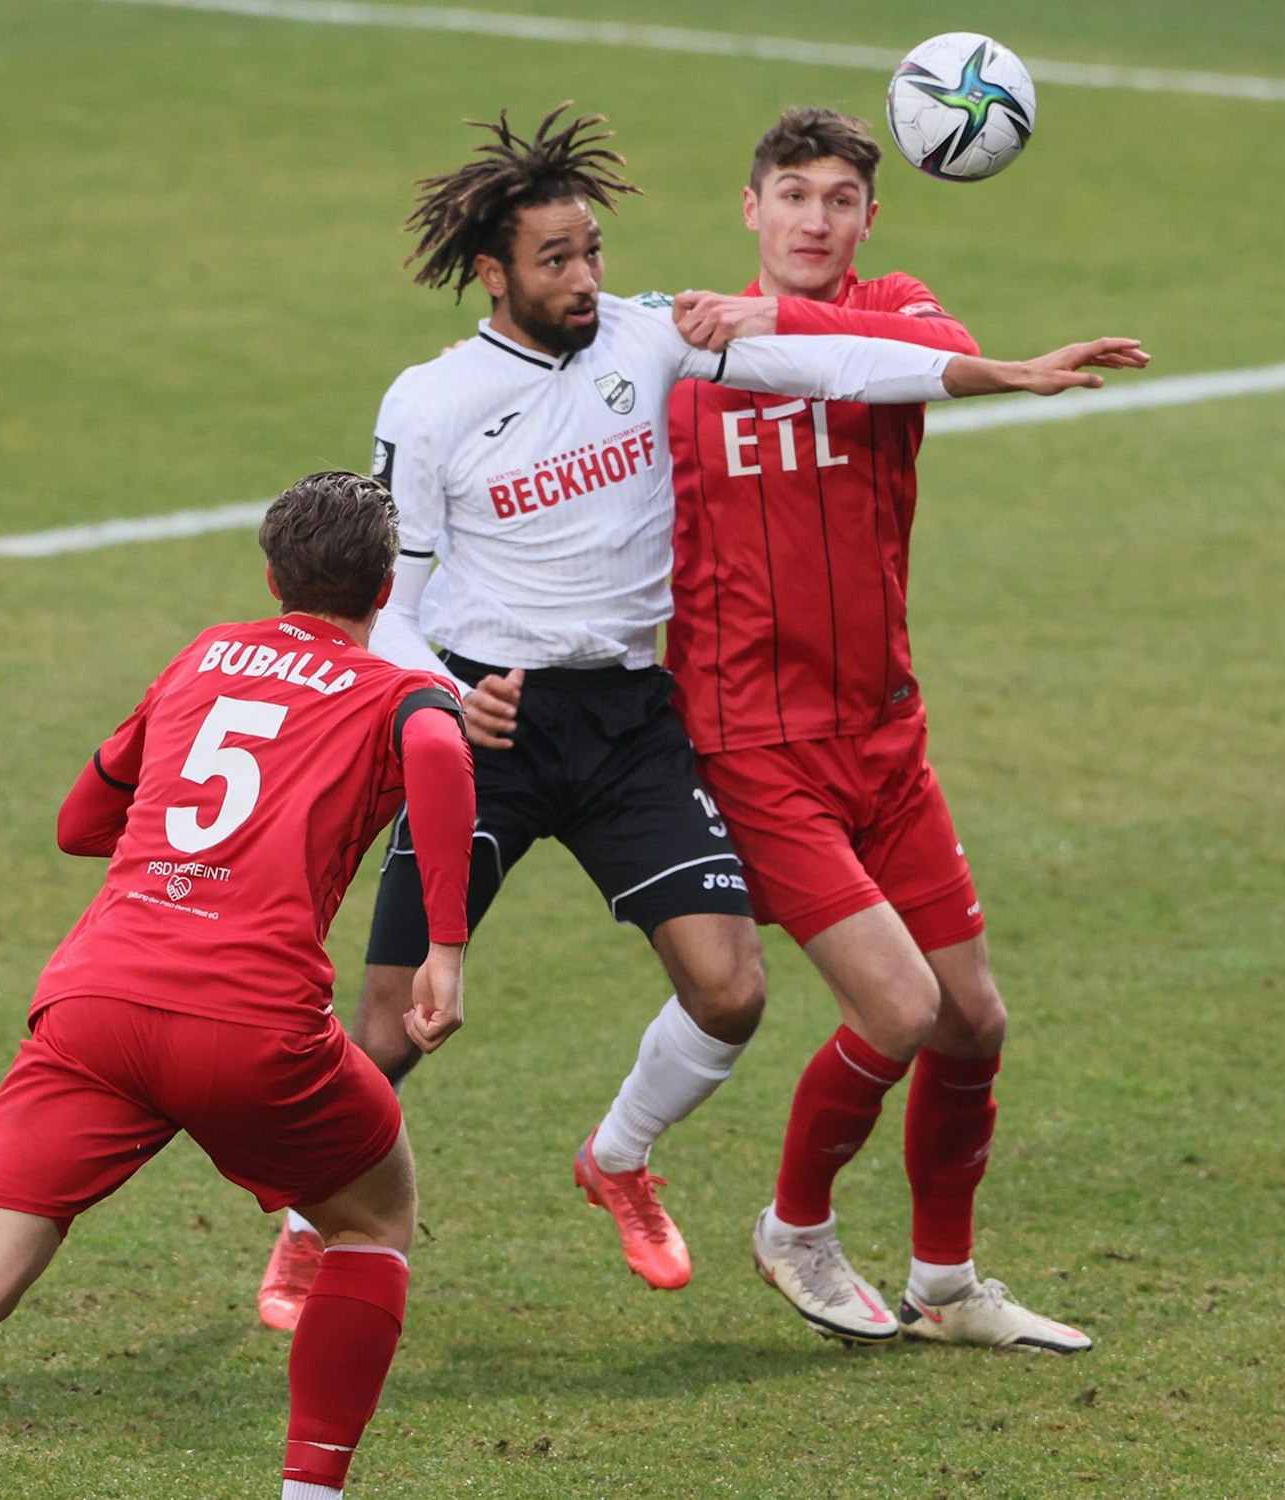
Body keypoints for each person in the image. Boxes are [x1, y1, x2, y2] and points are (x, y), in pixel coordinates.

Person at [255, 103, 1144, 1323]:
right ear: (492, 273)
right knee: (400, 1020)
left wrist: (1000, 371)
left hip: (629, 720)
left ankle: (617, 1158)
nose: (584, 278)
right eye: (556, 260)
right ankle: (307, 1224)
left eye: (592, 252)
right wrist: (449, 694)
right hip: (491, 727)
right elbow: (389, 603)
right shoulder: (432, 400)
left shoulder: (651, 339)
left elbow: (838, 361)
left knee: (732, 992)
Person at [0, 471, 477, 1500]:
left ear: (270, 575)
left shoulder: (202, 656)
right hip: (250, 1023)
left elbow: (81, 824)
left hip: (93, 1004)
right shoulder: (397, 692)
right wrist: (443, 948)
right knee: (370, 1219)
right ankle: (310, 1495)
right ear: (386, 591)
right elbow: (439, 742)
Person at [667, 108, 1136, 1352]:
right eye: (791, 196)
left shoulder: (892, 313)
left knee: (974, 1019)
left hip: (883, 736)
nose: (813, 220)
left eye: (837, 200)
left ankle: (943, 1282)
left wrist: (787, 322)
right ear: (748, 209)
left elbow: (943, 352)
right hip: (752, 743)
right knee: (899, 1010)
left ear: (869, 219)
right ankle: (794, 1230)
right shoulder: (675, 352)